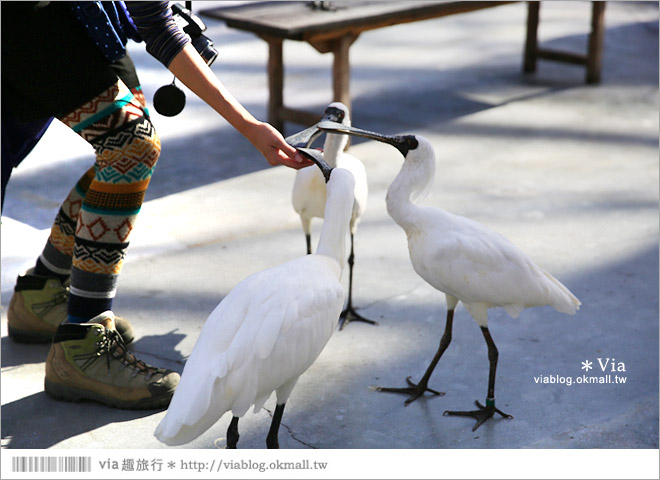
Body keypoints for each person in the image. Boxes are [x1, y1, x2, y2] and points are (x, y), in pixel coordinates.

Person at [1, 1, 310, 410]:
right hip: (25, 15)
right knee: (130, 143)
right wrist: (248, 127)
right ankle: (82, 343)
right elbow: (157, 24)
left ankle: (44, 292)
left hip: (84, 13)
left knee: (128, 142)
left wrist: (250, 127)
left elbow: (156, 20)